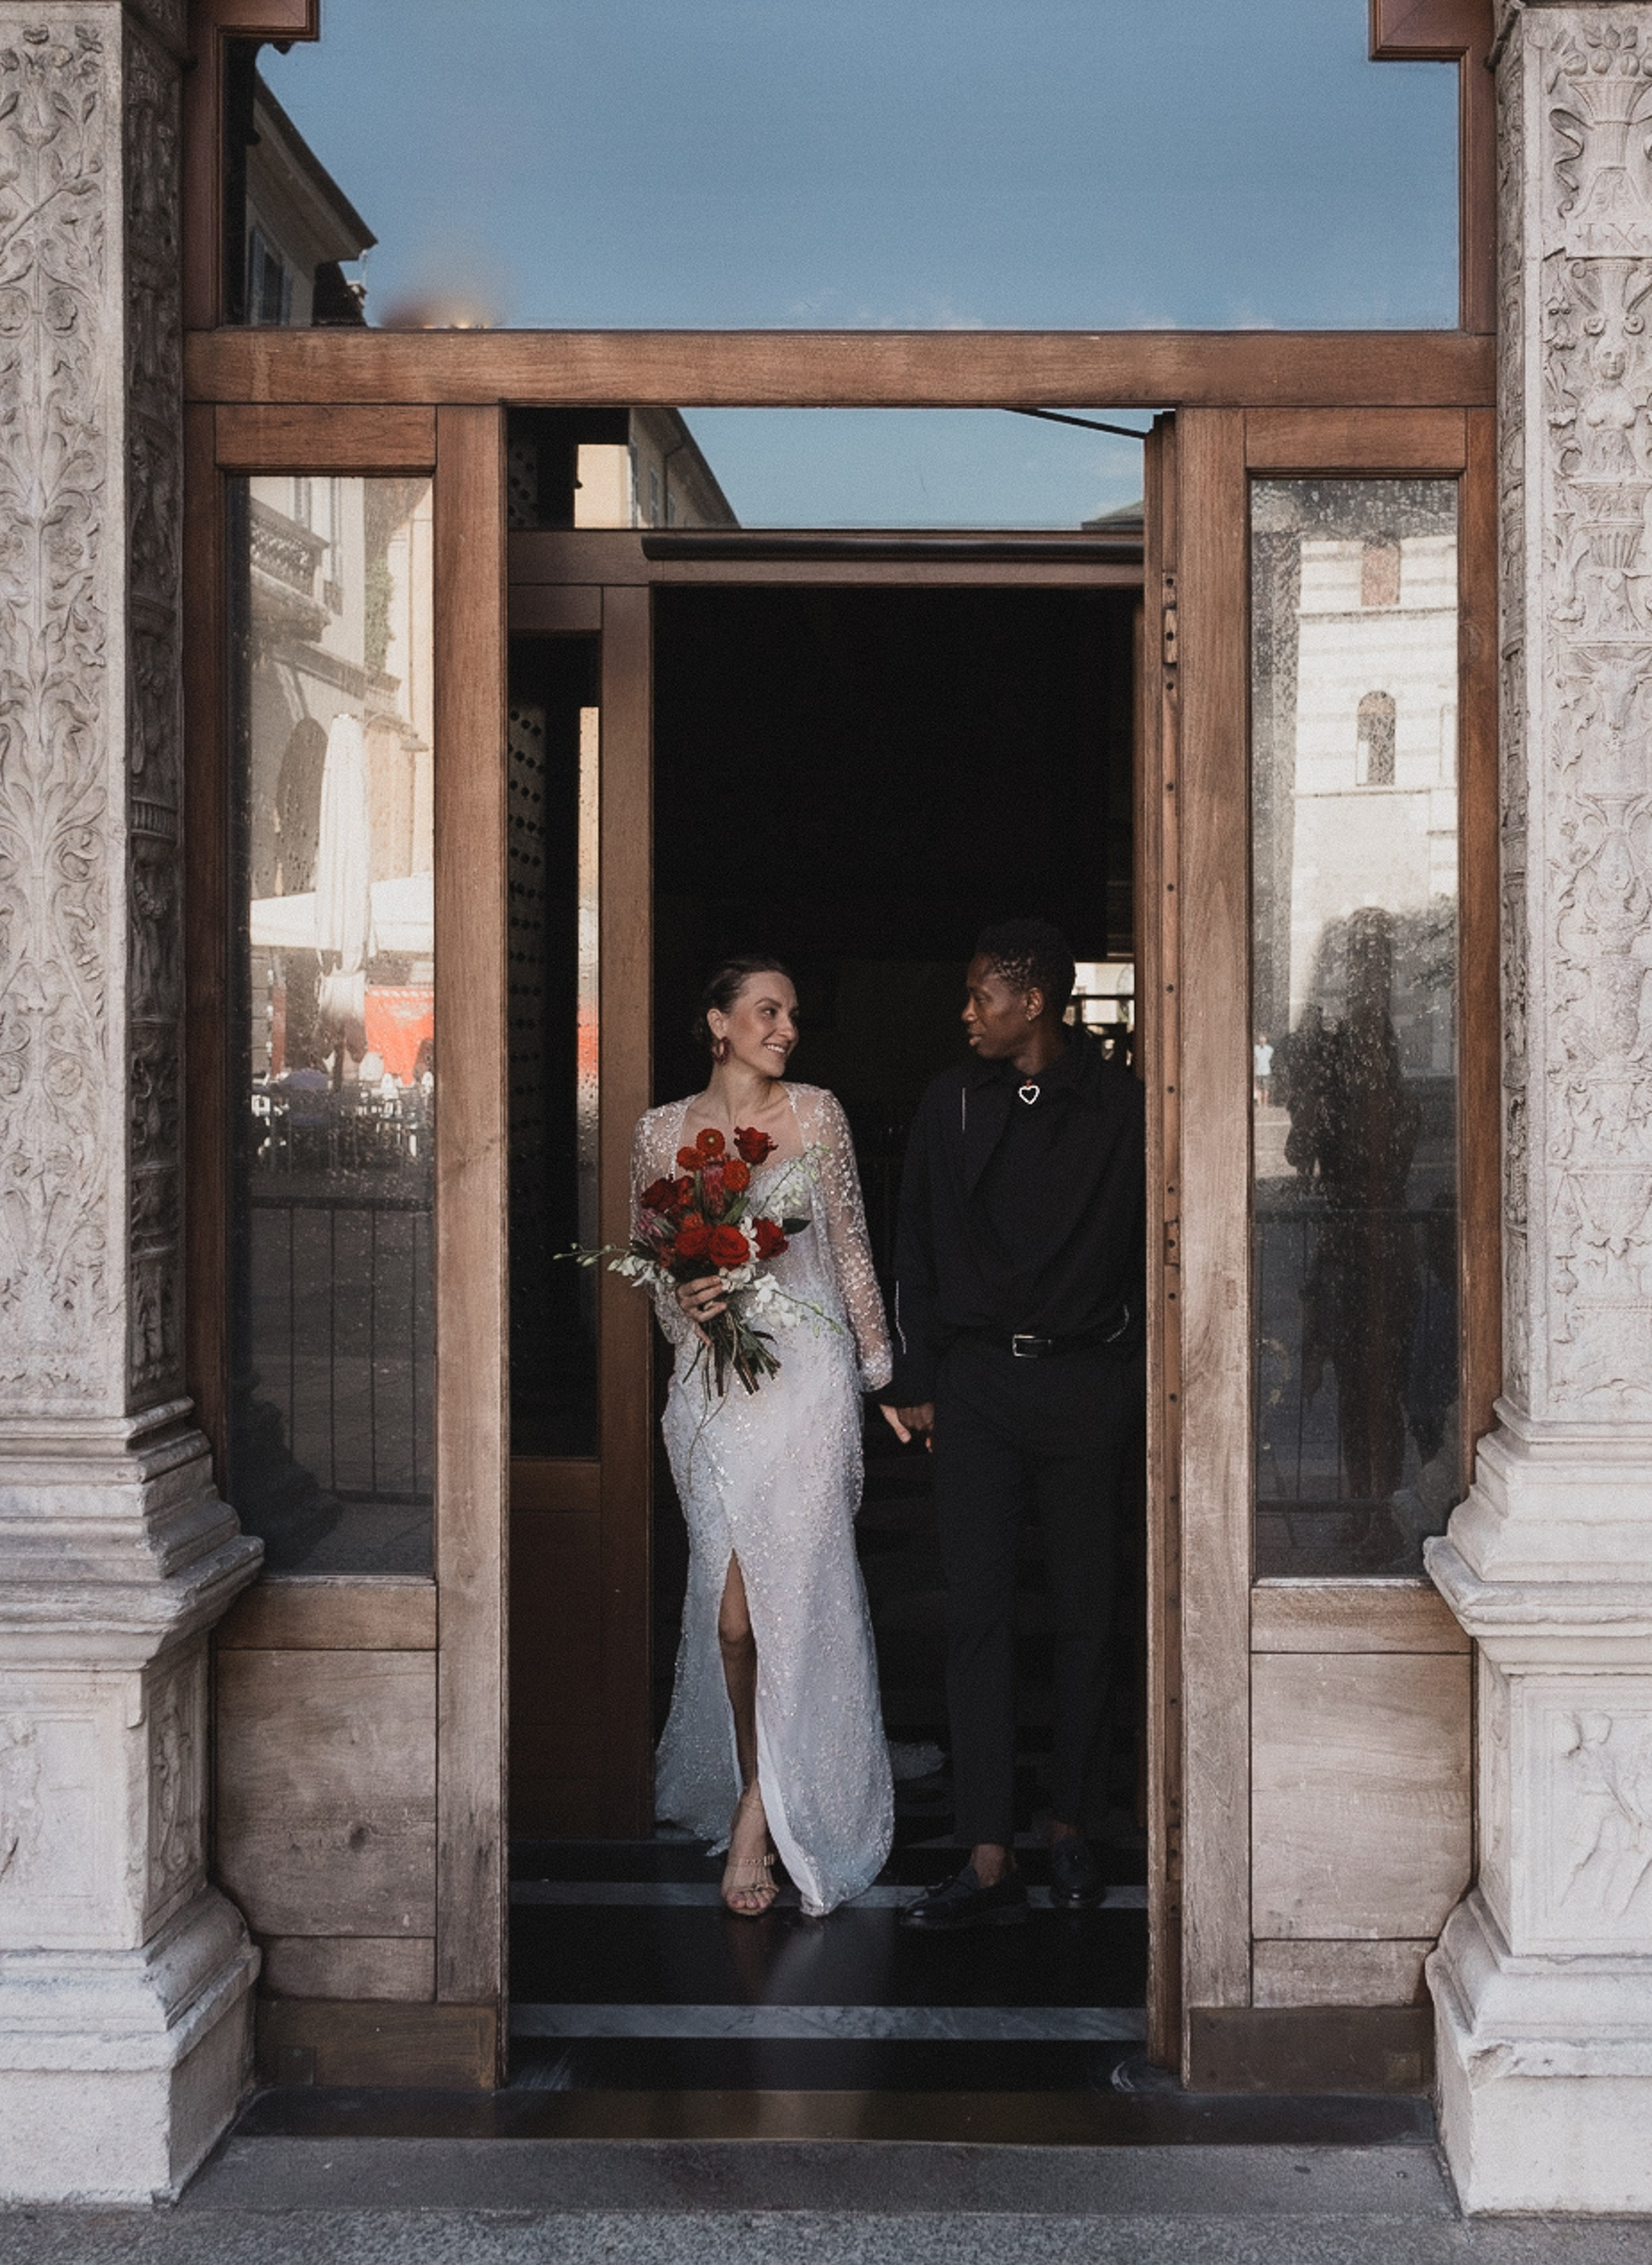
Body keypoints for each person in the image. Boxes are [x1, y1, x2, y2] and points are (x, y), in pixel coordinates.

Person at [881, 918, 1144, 1929]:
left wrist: (1126, 1365)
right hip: (980, 1388)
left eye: (980, 995)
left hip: (1085, 1388)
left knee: (1087, 1611)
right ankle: (986, 1851)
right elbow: (916, 1242)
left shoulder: (1121, 1104)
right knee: (977, 1613)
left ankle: (1072, 1829)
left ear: (1033, 1002)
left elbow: (1150, 1241)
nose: (966, 1013)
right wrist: (915, 1372)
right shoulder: (951, 1101)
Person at [636, 956, 894, 1918]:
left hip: (810, 1381)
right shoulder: (659, 1132)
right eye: (767, 1010)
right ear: (718, 1022)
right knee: (729, 1620)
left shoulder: (818, 1113)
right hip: (715, 1391)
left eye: (792, 1012)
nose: (787, 1027)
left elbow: (854, 1252)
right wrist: (688, 1302)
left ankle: (761, 1813)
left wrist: (884, 1378)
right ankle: (758, 1777)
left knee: (786, 1601)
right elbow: (651, 1270)